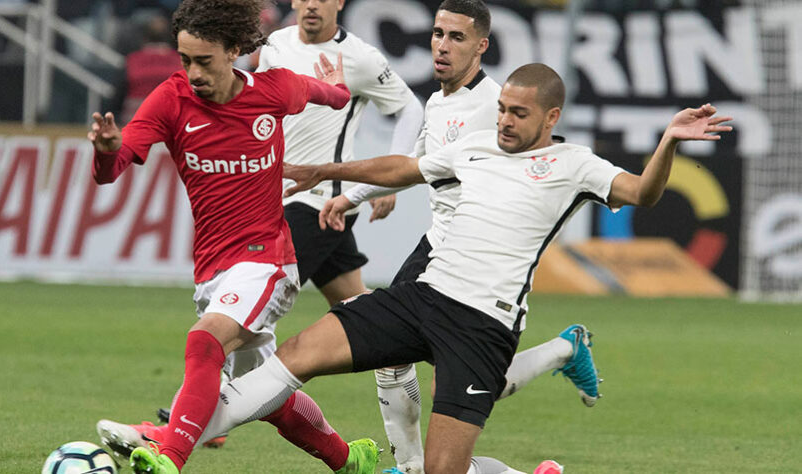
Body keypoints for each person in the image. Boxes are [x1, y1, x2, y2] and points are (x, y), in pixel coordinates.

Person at [164, 64, 732, 474]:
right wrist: (325, 171)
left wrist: (668, 143)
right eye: (503, 108)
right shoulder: (477, 146)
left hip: (482, 327)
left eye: (520, 113)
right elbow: (404, 167)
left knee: (441, 471)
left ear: (551, 116)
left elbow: (643, 193)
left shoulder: (575, 164)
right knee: (296, 355)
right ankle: (173, 446)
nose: (505, 120)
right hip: (423, 297)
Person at [88, 1, 379, 473]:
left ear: (236, 50)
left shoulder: (275, 90)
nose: (193, 72)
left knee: (205, 342)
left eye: (204, 60)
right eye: (185, 60)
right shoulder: (171, 99)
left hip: (268, 261)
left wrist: (338, 84)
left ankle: (169, 457)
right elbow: (112, 169)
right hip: (213, 270)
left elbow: (335, 97)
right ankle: (352, 461)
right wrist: (107, 150)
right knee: (269, 397)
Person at [323, 2, 597, 472]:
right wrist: (357, 196)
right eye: (437, 34)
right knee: (395, 361)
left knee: (458, 382)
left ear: (481, 46)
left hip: (477, 258)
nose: (442, 46)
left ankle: (564, 349)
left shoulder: (495, 109)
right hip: (437, 248)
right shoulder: (439, 99)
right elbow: (413, 164)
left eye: (455, 37)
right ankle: (409, 465)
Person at [261, 0, 422, 307]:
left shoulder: (360, 57)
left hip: (321, 200)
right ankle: (398, 350)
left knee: (263, 295)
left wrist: (390, 178)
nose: (311, 6)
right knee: (355, 307)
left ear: (339, 3)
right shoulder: (275, 44)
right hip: (276, 192)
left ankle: (225, 352)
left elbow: (410, 109)